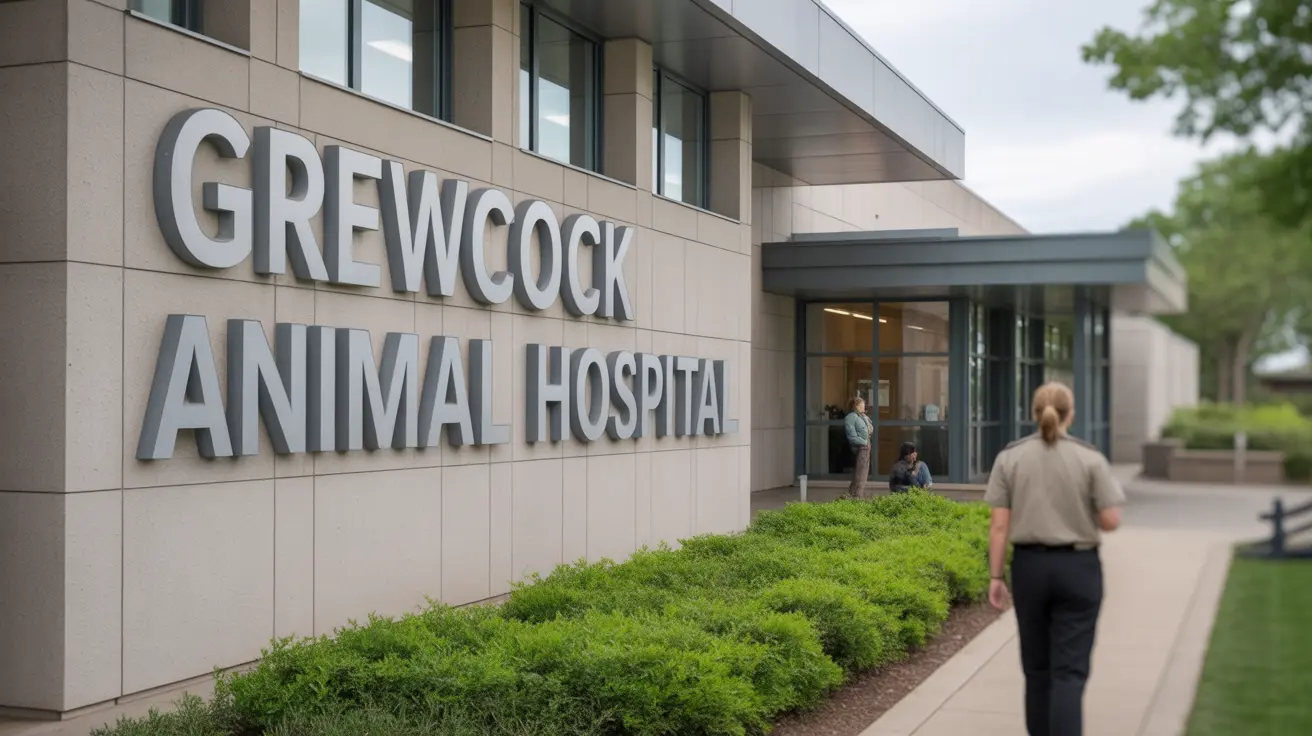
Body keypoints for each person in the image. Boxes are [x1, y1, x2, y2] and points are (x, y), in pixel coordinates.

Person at [985, 382, 1125, 736]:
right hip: (1078, 569)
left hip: (1030, 569)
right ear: (1070, 414)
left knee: (1036, 671)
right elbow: (1111, 520)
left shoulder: (1010, 458)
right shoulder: (1089, 458)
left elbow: (999, 526)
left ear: (1034, 413)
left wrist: (996, 577)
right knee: (1068, 673)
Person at [843, 396, 874, 498]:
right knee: (860, 474)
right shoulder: (851, 417)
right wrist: (864, 442)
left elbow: (869, 429)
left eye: (863, 405)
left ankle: (853, 495)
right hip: (860, 447)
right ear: (855, 406)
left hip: (866, 446)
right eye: (861, 405)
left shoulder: (862, 416)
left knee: (863, 474)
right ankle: (856, 496)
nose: (863, 407)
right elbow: (851, 436)